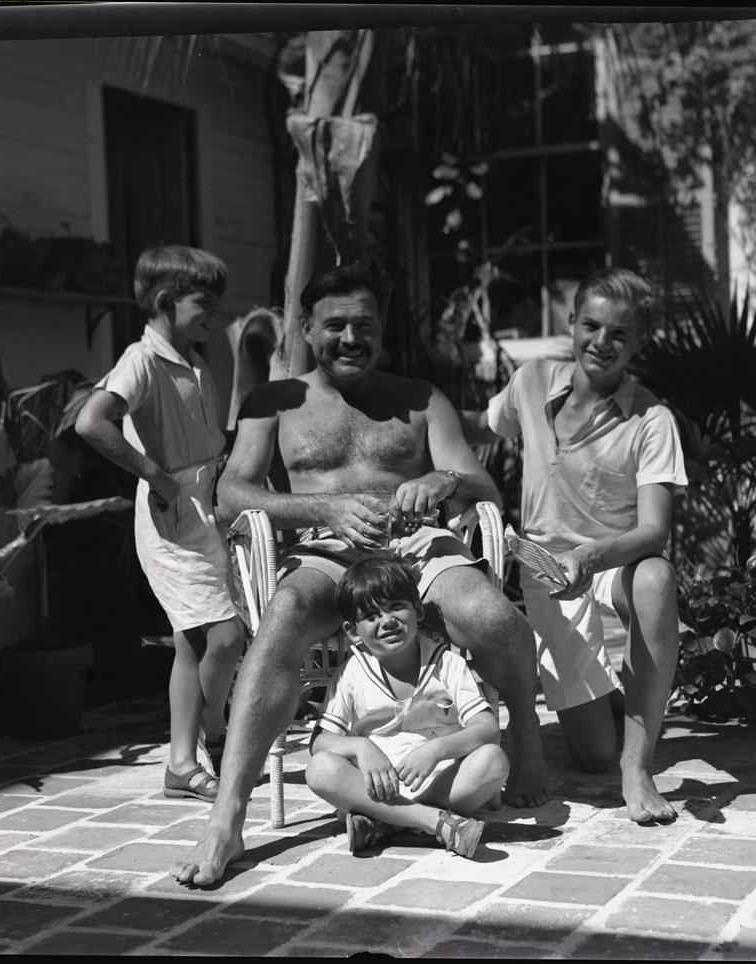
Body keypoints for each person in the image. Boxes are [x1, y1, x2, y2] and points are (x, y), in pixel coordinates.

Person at [169, 265, 547, 887]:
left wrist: (442, 480)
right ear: (307, 328)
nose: (350, 338)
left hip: (416, 543)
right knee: (283, 617)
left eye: (364, 325)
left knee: (492, 615)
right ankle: (228, 815)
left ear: (381, 329)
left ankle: (525, 737)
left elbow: (484, 486)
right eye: (335, 325)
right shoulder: (275, 401)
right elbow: (231, 495)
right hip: (325, 547)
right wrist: (322, 508)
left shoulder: (421, 398)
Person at [466, 266, 687, 824]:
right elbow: (482, 426)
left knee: (658, 577)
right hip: (546, 571)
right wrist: (417, 423)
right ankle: (629, 705)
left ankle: (639, 770)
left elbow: (654, 531)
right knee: (591, 755)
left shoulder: (652, 419)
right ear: (572, 323)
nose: (602, 343)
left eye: (619, 333)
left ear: (639, 341)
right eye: (591, 326)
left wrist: (588, 557)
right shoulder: (533, 379)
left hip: (612, 563)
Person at [75, 244, 246, 803]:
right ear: (168, 301)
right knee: (222, 635)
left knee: (192, 643)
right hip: (173, 511)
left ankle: (181, 763)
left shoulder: (191, 357)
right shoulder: (141, 360)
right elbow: (91, 422)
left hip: (207, 504)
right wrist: (157, 476)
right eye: (205, 302)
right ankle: (217, 735)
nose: (214, 312)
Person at [306, 557, 508, 858]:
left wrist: (437, 750)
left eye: (396, 607)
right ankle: (432, 821)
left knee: (493, 760)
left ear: (418, 610)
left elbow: (487, 728)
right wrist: (361, 747)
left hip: (442, 782)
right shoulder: (352, 673)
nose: (387, 621)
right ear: (352, 631)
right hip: (377, 786)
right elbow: (319, 743)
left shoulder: (447, 663)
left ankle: (388, 821)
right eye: (372, 615)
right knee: (320, 769)